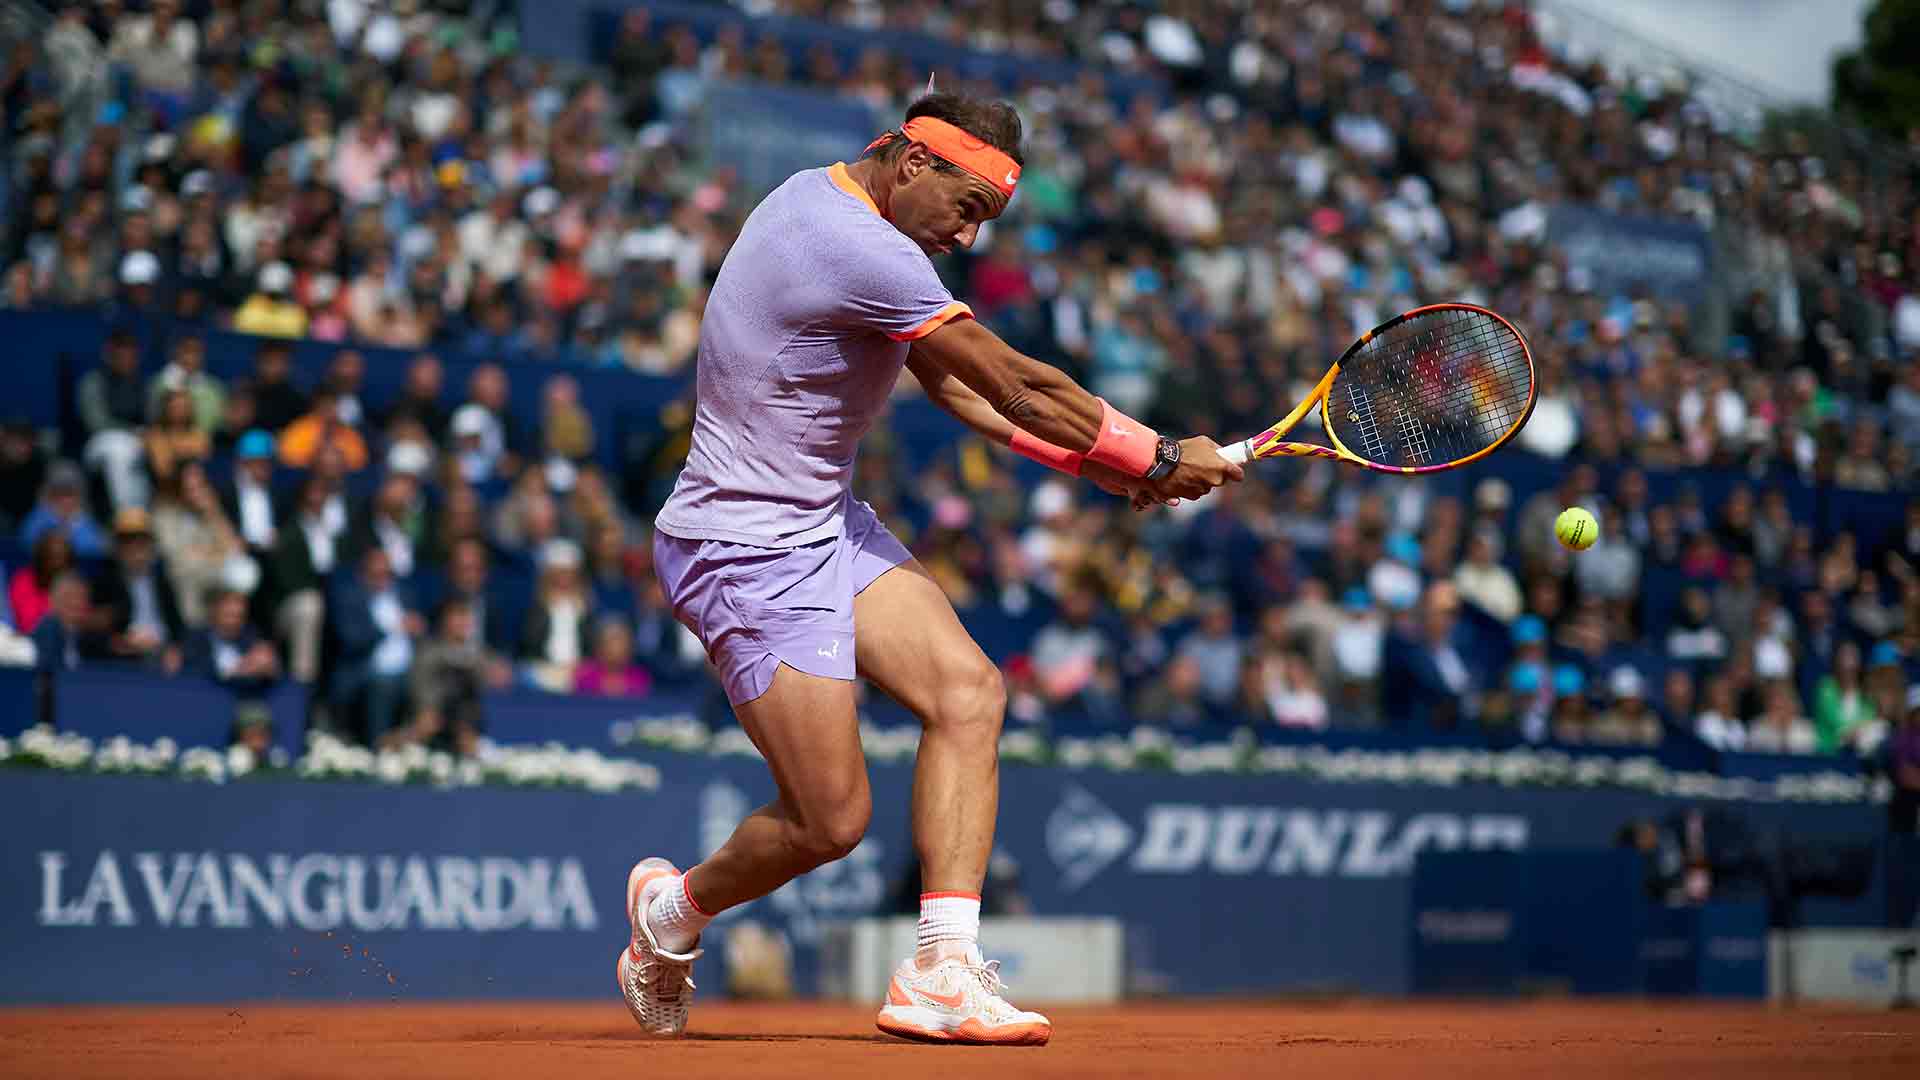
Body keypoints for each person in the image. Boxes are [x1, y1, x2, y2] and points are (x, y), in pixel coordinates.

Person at [624, 91, 1240, 1043]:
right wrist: (1153, 454)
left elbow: (952, 384)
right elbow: (1015, 381)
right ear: (915, 164)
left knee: (969, 694)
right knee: (830, 824)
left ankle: (943, 969)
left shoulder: (828, 203)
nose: (968, 236)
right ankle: (671, 916)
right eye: (968, 208)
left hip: (823, 524)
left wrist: (1098, 466)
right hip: (740, 549)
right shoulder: (856, 245)